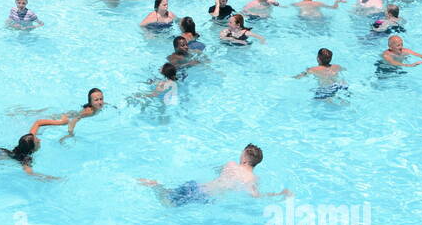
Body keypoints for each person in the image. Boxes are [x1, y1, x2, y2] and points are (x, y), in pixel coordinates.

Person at [137, 144, 288, 207]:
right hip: (205, 196)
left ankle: (157, 185)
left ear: (243, 158)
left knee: (169, 198)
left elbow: (217, 171)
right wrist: (279, 194)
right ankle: (156, 185)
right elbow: (255, 196)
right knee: (167, 205)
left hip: (197, 186)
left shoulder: (230, 165)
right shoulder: (252, 179)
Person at [28, 88, 105, 139]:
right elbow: (74, 120)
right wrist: (70, 133)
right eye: (96, 100)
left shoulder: (100, 105)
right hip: (66, 118)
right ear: (90, 102)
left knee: (46, 115)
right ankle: (27, 114)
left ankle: (29, 113)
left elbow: (105, 104)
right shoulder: (88, 112)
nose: (100, 102)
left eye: (101, 99)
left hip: (70, 114)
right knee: (47, 120)